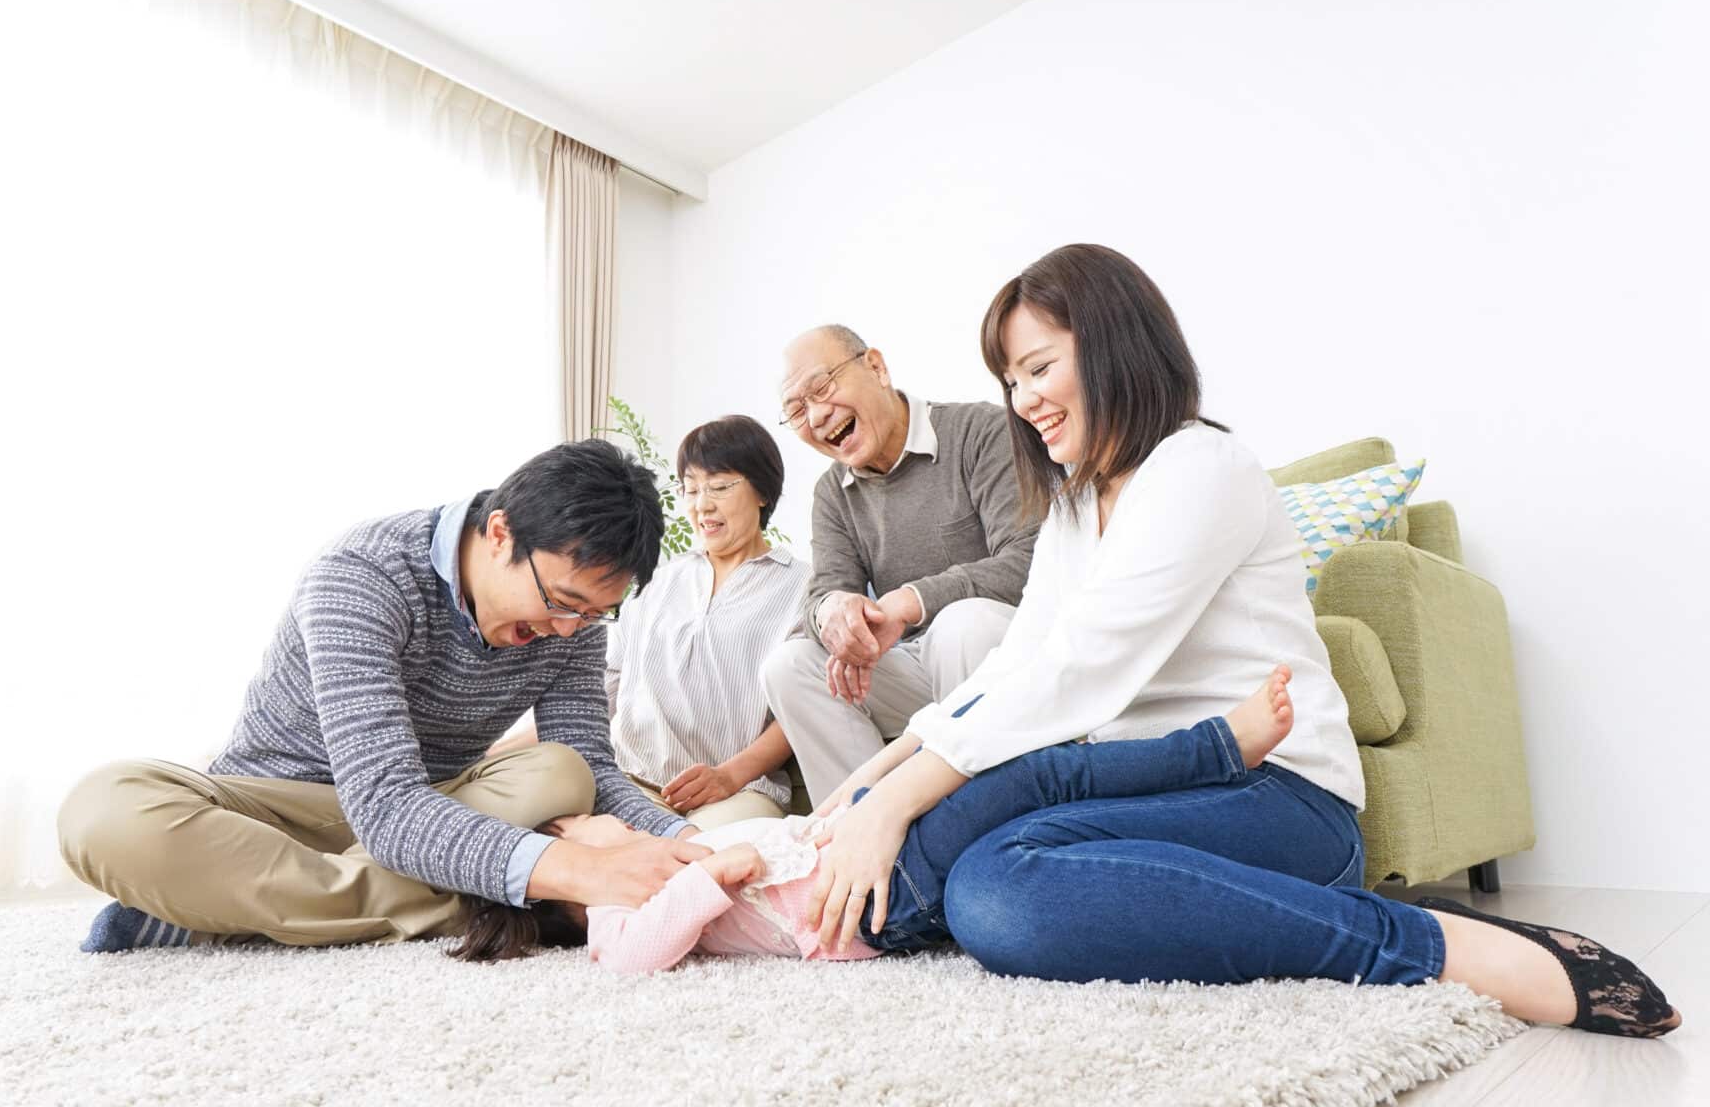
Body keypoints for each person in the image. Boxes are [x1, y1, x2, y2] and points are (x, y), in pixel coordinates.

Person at [798, 243, 1680, 1039]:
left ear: (1113, 345)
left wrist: (901, 799)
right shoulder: (1073, 504)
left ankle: (1424, 944)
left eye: (1038, 369)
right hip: (1150, 782)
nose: (1024, 402)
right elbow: (1017, 661)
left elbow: (1080, 669)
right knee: (978, 874)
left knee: (995, 894)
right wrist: (867, 787)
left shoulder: (1200, 469)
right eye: (1010, 382)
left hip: (1275, 797)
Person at [56, 440, 710, 953]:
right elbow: (383, 803)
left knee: (560, 772)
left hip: (434, 805)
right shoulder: (364, 574)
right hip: (280, 813)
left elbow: (590, 767)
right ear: (501, 532)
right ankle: (488, 901)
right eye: (562, 603)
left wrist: (693, 847)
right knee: (102, 813)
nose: (567, 630)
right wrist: (580, 873)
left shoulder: (573, 623)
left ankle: (223, 915)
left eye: (595, 614)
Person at [456, 668, 1302, 971]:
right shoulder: (610, 905)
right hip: (878, 902)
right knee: (1036, 774)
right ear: (559, 860)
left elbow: (799, 828)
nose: (601, 816)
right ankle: (1213, 750)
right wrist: (709, 878)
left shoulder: (674, 849)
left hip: (870, 854)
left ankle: (1200, 781)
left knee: (1033, 777)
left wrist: (860, 795)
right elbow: (632, 963)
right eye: (580, 821)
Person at [759, 324, 1038, 805]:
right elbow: (822, 593)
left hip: (1001, 656)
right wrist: (834, 613)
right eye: (796, 410)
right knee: (788, 666)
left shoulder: (980, 432)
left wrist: (913, 601)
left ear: (876, 367)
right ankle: (859, 830)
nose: (817, 414)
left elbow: (1030, 559)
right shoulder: (832, 493)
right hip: (913, 670)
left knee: (961, 625)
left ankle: (977, 820)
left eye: (822, 388)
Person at [489, 416, 808, 830]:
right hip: (629, 780)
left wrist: (729, 776)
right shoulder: (656, 579)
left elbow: (799, 710)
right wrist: (493, 755)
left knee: (709, 864)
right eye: (690, 489)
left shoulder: (803, 585)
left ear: (762, 490)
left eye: (719, 486)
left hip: (739, 790)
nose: (702, 505)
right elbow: (600, 690)